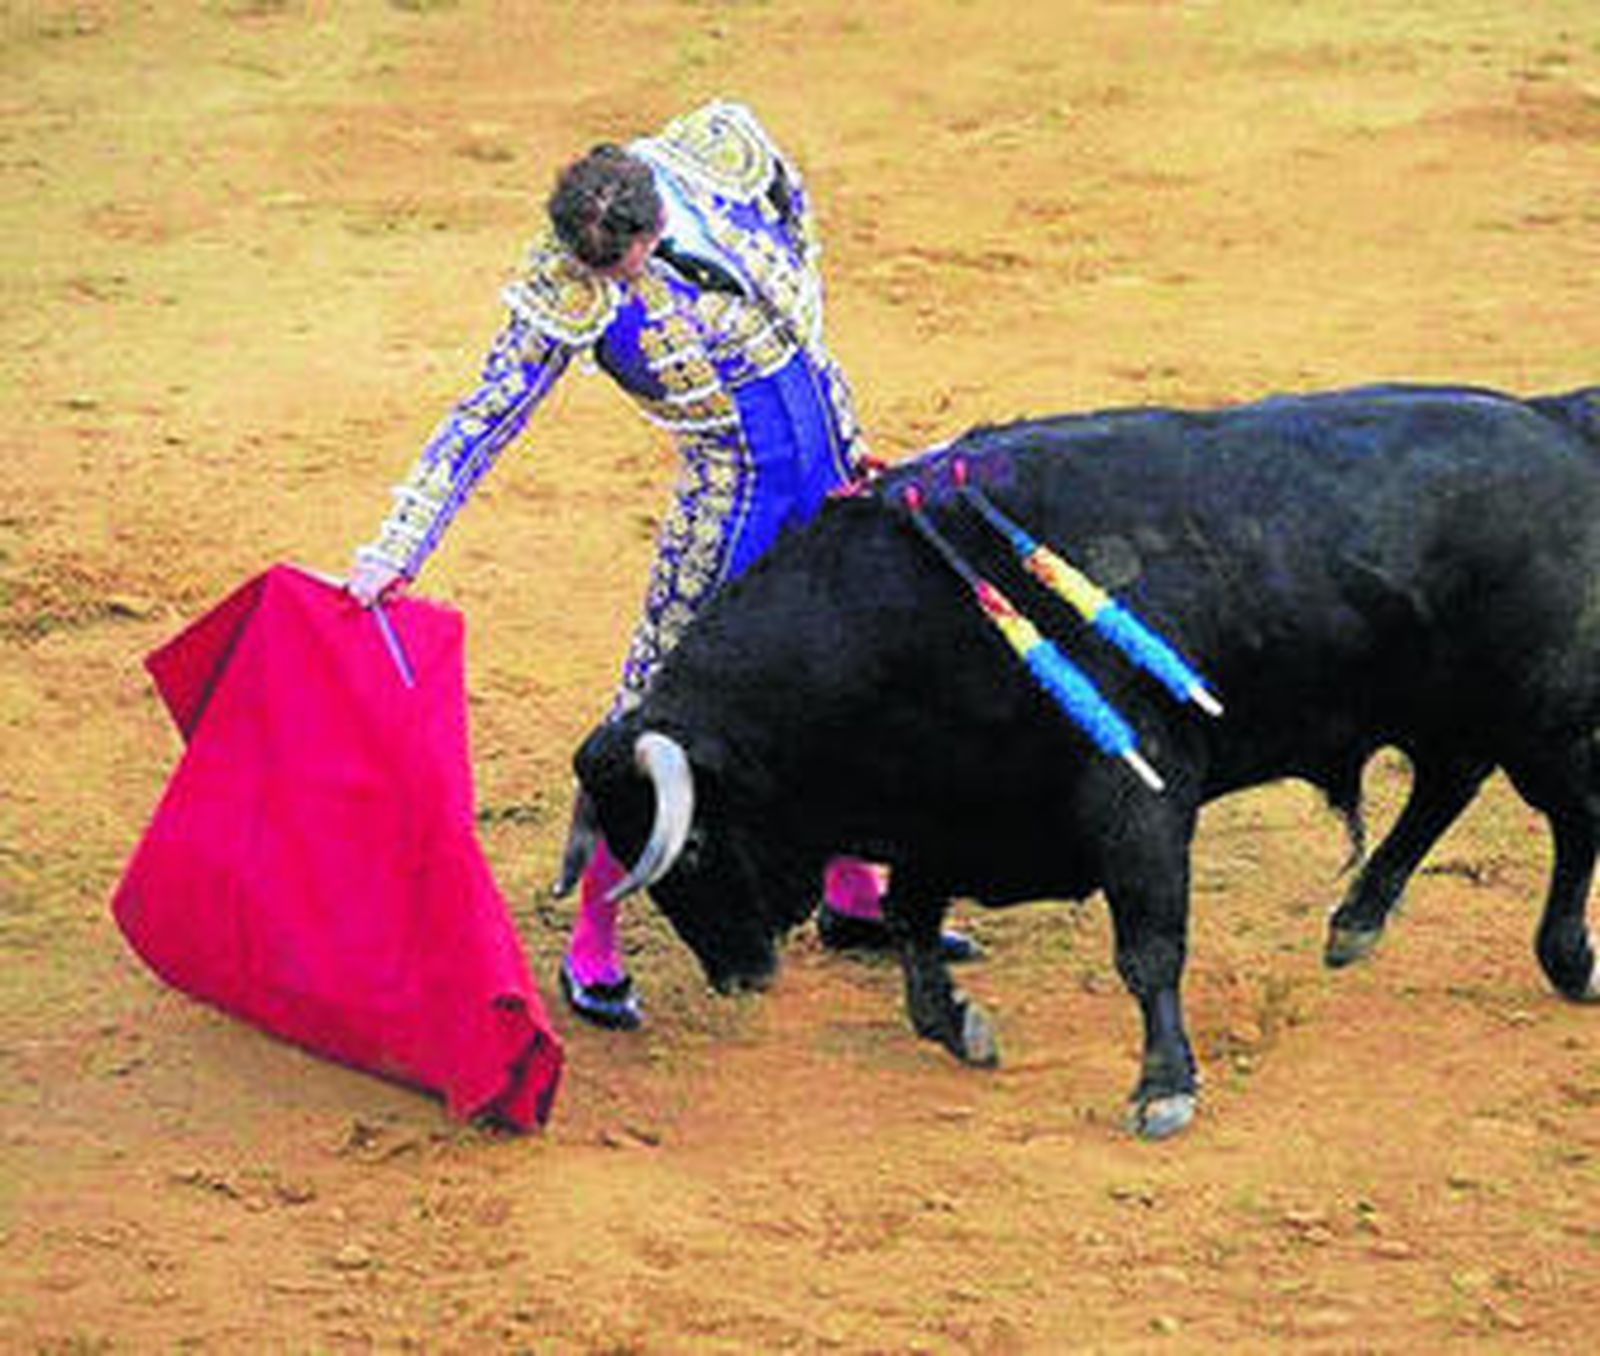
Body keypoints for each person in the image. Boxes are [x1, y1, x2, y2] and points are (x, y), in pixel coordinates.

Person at [348, 100, 975, 1030]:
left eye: (627, 261)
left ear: (654, 220)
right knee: (654, 726)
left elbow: (790, 208)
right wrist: (396, 548)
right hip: (731, 505)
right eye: (602, 270)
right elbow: (484, 416)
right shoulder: (567, 285)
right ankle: (592, 939)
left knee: (855, 682)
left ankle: (853, 893)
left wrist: (838, 425)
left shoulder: (715, 155)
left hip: (831, 471)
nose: (619, 280)